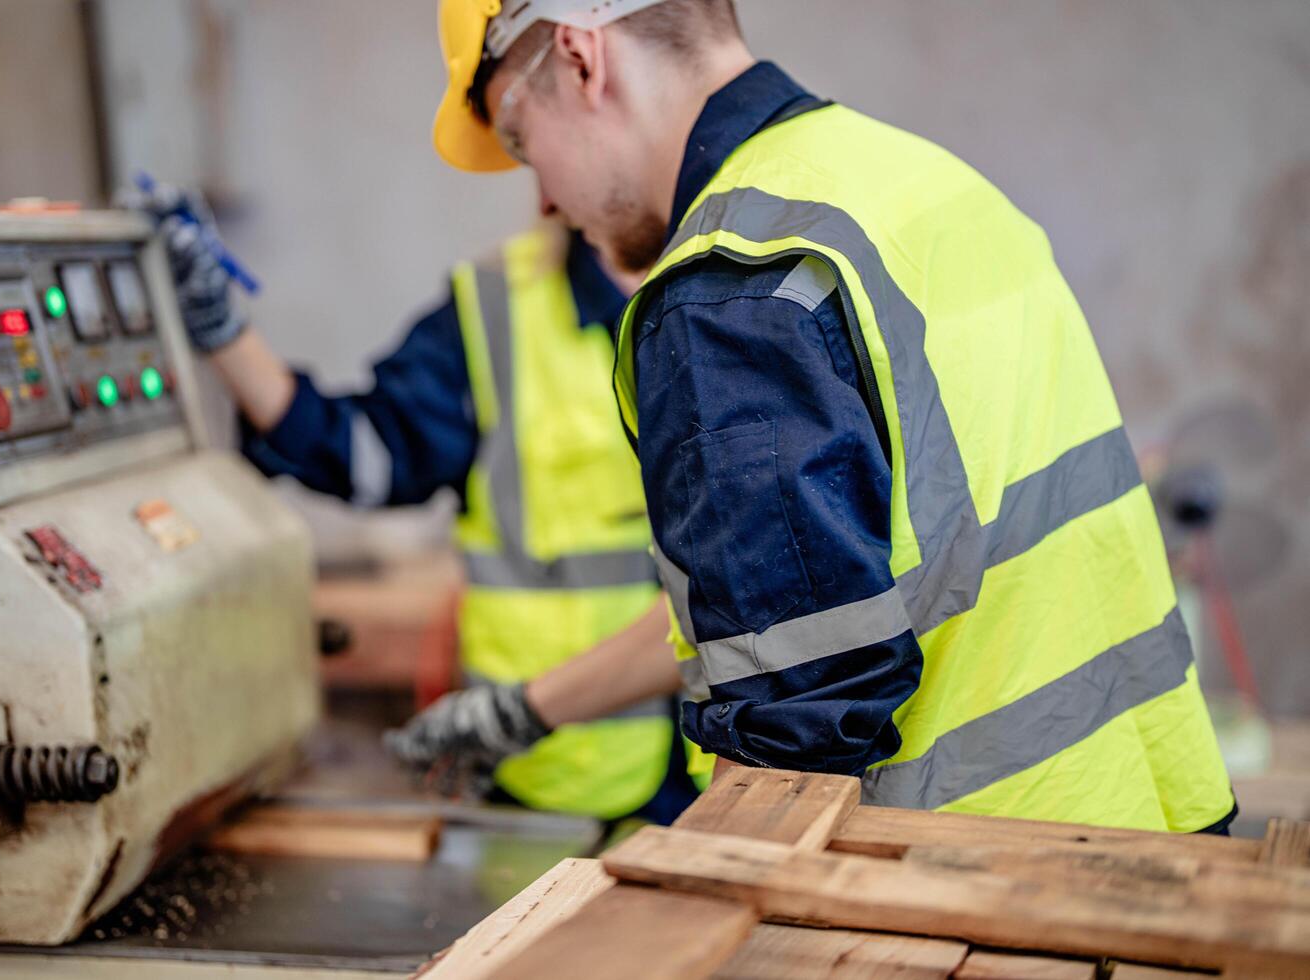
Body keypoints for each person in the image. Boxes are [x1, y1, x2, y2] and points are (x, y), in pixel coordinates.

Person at [428, 0, 1236, 832]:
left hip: (967, 887)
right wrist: (530, 708)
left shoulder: (729, 288)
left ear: (580, 58)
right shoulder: (920, 183)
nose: (548, 202)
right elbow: (858, 583)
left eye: (522, 141)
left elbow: (790, 747)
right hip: (1154, 827)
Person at [144, 190, 696, 824]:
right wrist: (227, 337)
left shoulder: (738, 291)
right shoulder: (500, 308)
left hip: (727, 774)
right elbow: (368, 453)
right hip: (562, 784)